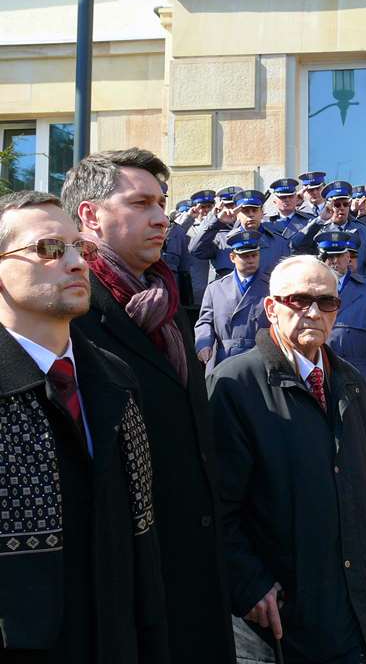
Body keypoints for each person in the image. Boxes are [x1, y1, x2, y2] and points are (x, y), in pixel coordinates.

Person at [62, 148, 235, 664]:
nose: (162, 217)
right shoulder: (71, 311)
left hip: (196, 565)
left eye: (162, 203)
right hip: (126, 577)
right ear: (90, 215)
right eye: (140, 203)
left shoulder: (164, 299)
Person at [0, 191, 168, 664]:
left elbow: (141, 538)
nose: (76, 263)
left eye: (82, 249)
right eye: (50, 249)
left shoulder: (114, 378)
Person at [209, 256, 366, 662]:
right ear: (272, 307)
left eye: (326, 303)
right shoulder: (235, 384)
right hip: (274, 626)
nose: (313, 312)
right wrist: (249, 585)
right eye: (299, 300)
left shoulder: (353, 384)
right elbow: (217, 506)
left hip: (346, 616)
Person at [316, 227, 366, 386]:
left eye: (339, 255)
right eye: (329, 256)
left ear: (348, 257)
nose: (334, 261)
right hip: (320, 377)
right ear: (320, 259)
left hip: (358, 379)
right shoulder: (310, 292)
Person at [194, 228, 270, 377]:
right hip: (224, 359)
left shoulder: (272, 286)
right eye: (244, 256)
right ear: (232, 257)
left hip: (261, 360)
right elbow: (205, 322)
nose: (250, 260)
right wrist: (203, 345)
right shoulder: (215, 288)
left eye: (254, 255)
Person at [291, 179, 366, 281]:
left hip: (358, 289)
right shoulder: (319, 228)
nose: (342, 208)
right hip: (329, 288)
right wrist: (320, 220)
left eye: (345, 204)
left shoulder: (363, 230)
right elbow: (296, 245)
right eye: (337, 205)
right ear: (329, 206)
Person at [190, 188, 291, 277]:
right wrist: (216, 221)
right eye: (246, 211)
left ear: (262, 213)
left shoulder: (280, 242)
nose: (251, 215)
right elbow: (196, 250)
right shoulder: (222, 240)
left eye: (254, 210)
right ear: (237, 214)